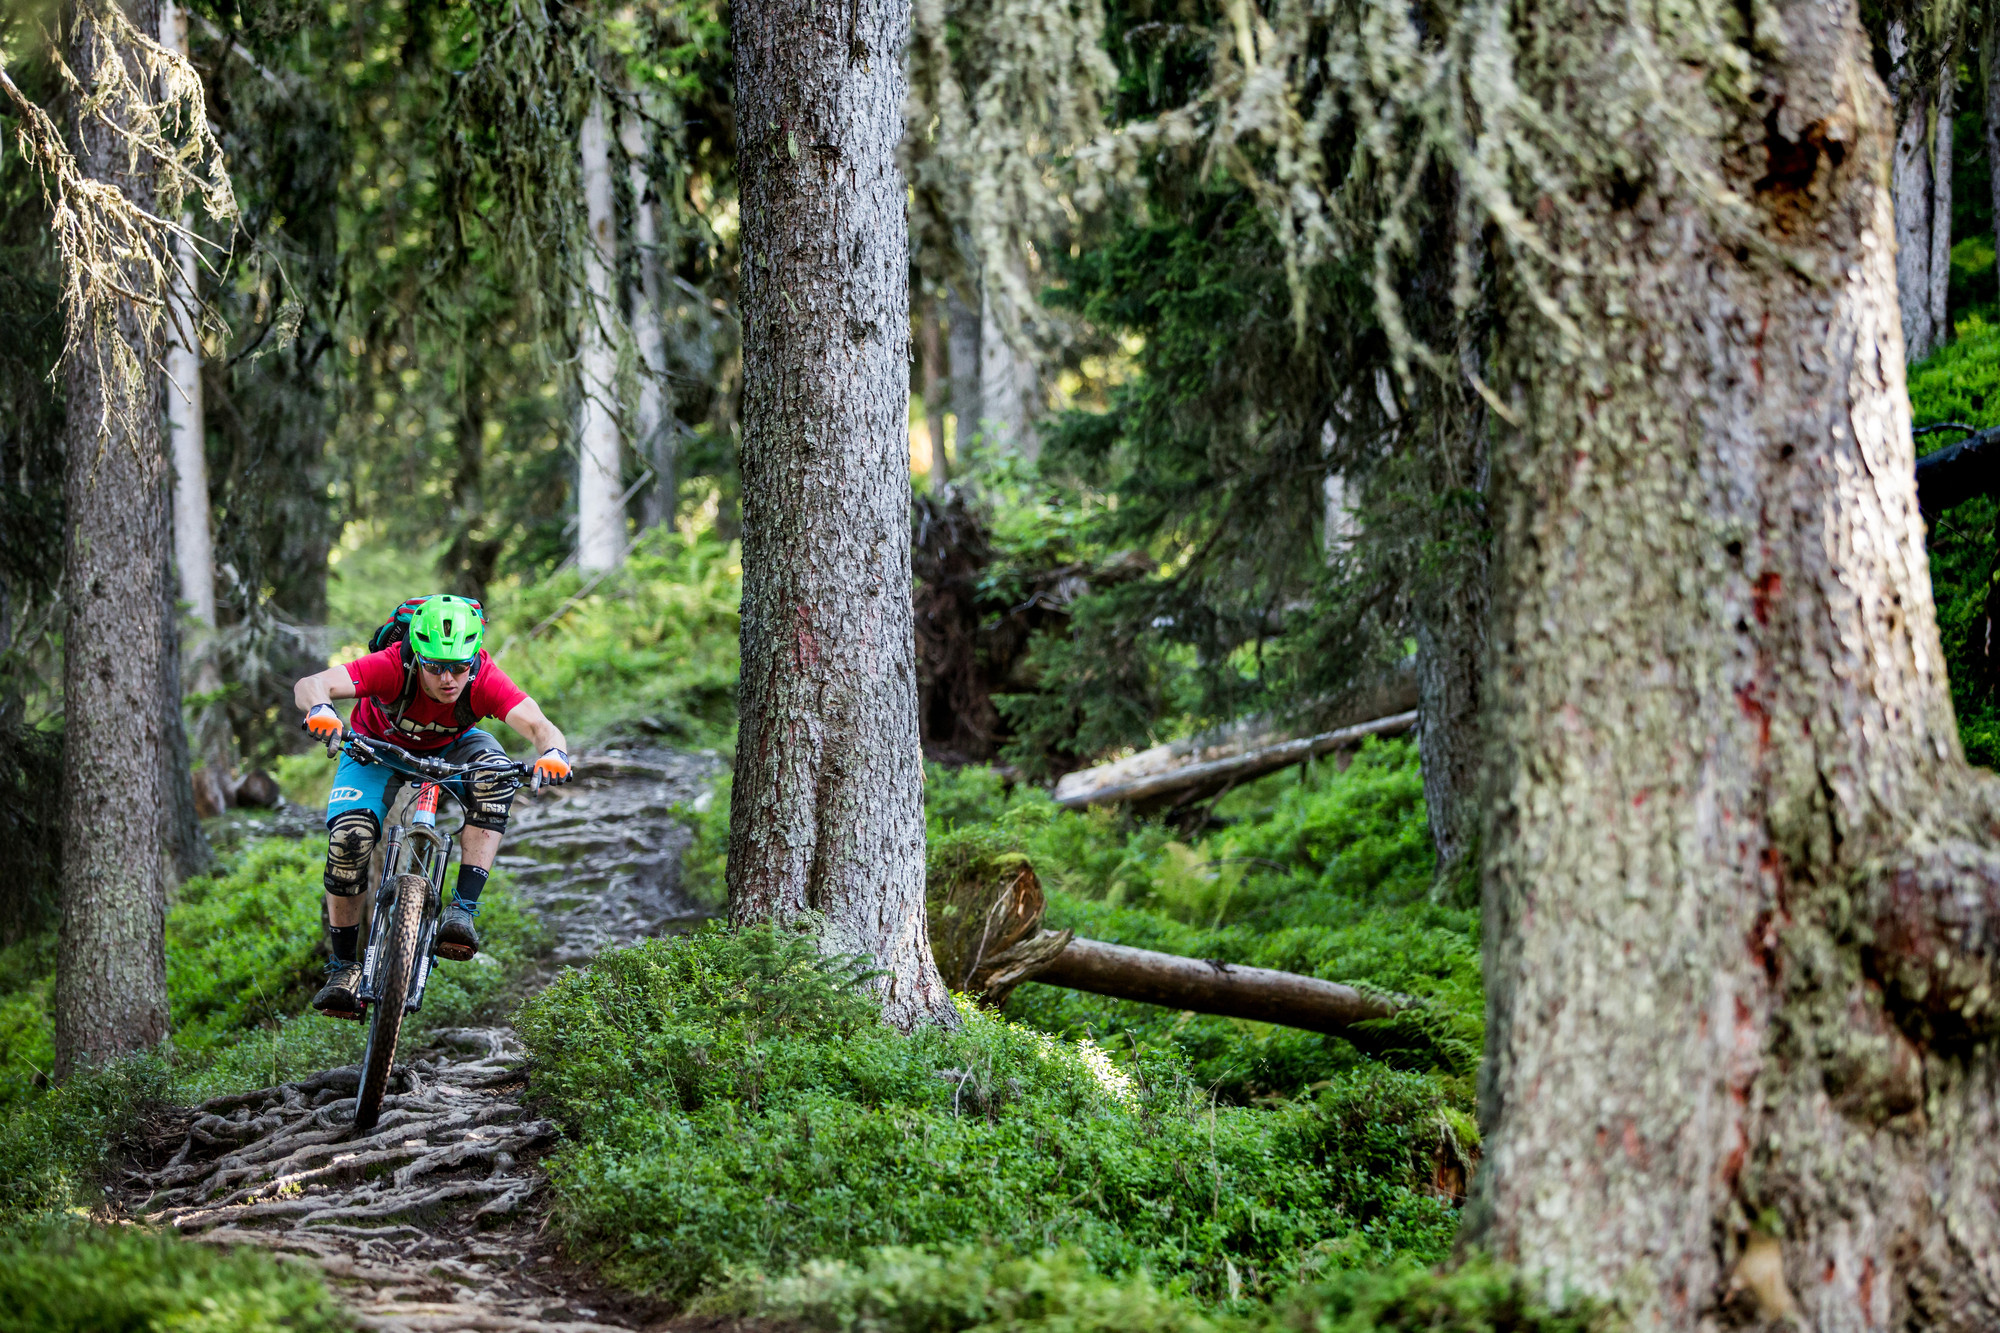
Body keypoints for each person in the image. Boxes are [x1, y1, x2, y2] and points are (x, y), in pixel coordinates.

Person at [292, 594, 572, 1018]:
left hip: (454, 747)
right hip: (375, 749)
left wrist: (554, 754)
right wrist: (321, 709)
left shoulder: (483, 677)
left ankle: (462, 911)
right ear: (417, 656)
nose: (448, 679)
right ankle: (344, 968)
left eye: (459, 667)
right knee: (350, 839)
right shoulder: (391, 665)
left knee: (496, 777)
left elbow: (538, 725)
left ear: (472, 659)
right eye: (436, 666)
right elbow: (311, 684)